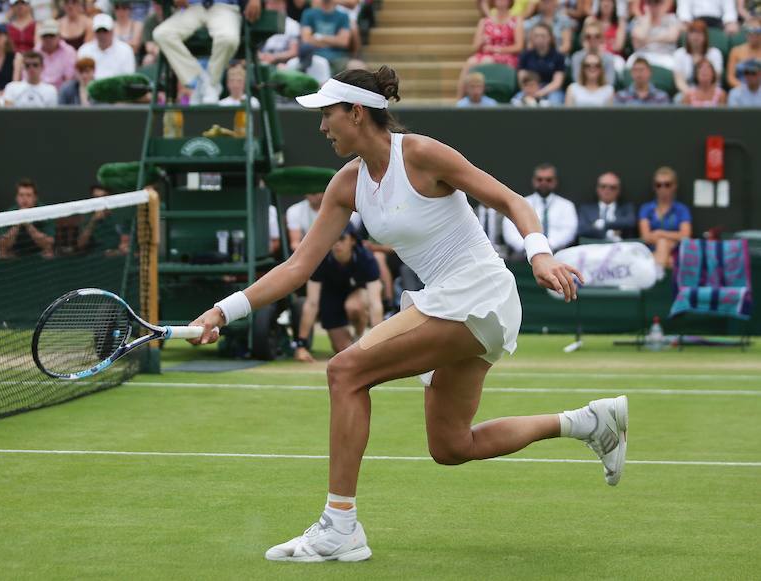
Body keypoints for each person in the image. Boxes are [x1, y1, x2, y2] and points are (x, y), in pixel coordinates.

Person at [186, 66, 626, 563]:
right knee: (452, 446)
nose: (322, 125)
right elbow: (297, 266)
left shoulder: (419, 153)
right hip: (454, 305)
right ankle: (588, 423)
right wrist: (223, 311)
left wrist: (540, 254)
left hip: (477, 293)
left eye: (328, 113)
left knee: (345, 370)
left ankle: (340, 526)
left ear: (356, 112)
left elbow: (511, 200)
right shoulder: (346, 183)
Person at [292, 222, 382, 363]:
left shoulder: (367, 259)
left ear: (352, 240)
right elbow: (312, 303)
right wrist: (301, 345)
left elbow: (375, 303)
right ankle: (354, 345)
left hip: (357, 294)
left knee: (354, 306)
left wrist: (379, 343)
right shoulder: (320, 259)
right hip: (330, 297)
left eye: (342, 239)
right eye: (334, 239)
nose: (337, 244)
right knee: (344, 352)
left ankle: (359, 336)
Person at [152, 0, 261, 105]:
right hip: (192, 7)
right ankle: (200, 79)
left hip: (225, 7)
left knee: (229, 39)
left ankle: (210, 82)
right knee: (162, 34)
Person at [502, 163, 578, 255]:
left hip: (558, 254)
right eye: (539, 179)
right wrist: (529, 248)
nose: (543, 183)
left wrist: (546, 247)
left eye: (548, 180)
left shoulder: (566, 206)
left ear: (555, 182)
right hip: (524, 255)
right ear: (533, 181)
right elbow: (510, 231)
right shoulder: (520, 203)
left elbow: (569, 232)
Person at [638, 166, 692, 273]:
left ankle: (656, 277)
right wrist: (670, 238)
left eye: (667, 185)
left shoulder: (681, 209)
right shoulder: (646, 208)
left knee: (667, 253)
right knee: (669, 260)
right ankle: (659, 274)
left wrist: (660, 233)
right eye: (658, 185)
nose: (663, 188)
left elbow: (686, 236)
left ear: (674, 186)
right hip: (651, 252)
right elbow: (646, 237)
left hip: (677, 252)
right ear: (654, 187)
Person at [0, 178, 56, 258]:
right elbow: (2, 245)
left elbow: (48, 244)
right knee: (2, 253)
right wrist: (17, 224)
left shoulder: (45, 213)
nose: (24, 199)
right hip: (15, 253)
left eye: (28, 195)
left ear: (35, 198)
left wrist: (28, 225)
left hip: (39, 253)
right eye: (21, 195)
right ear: (16, 198)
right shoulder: (9, 213)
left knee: (49, 253)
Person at [576, 172, 636, 242]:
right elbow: (582, 230)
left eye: (613, 187)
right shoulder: (586, 209)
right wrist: (609, 233)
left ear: (619, 190)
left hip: (621, 247)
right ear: (597, 189)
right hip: (593, 248)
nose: (607, 190)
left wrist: (601, 224)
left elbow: (630, 222)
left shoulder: (626, 208)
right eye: (603, 186)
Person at [466, 0, 524, 70]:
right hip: (485, 54)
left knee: (486, 61)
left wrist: (496, 49)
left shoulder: (516, 20)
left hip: (506, 55)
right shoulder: (484, 21)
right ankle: (463, 81)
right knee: (471, 62)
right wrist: (481, 41)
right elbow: (474, 47)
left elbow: (519, 47)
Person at [516, 23, 565, 105]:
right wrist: (530, 91)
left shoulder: (558, 56)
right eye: (536, 36)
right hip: (529, 89)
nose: (539, 38)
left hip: (551, 90)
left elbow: (557, 82)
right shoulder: (525, 55)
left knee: (555, 102)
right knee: (516, 102)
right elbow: (522, 78)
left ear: (550, 37)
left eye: (543, 36)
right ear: (532, 38)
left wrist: (540, 93)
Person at [76, 184, 131, 255]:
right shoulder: (88, 216)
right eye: (97, 197)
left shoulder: (120, 213)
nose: (100, 201)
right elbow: (81, 244)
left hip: (119, 254)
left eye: (104, 197)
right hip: (97, 254)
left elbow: (125, 241)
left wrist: (117, 252)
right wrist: (94, 220)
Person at [77, 13, 135, 79]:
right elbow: (81, 77)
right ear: (94, 32)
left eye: (105, 31)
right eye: (98, 31)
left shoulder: (126, 50)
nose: (102, 35)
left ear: (112, 31)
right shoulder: (84, 50)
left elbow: (128, 77)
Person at [673, 20, 724, 95]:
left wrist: (704, 94)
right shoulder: (679, 54)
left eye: (699, 33)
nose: (695, 37)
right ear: (687, 36)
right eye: (692, 33)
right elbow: (679, 81)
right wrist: (692, 95)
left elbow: (716, 79)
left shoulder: (715, 53)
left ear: (705, 36)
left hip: (711, 92)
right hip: (688, 93)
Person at [299, 0, 350, 73]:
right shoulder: (308, 13)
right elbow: (306, 39)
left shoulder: (343, 16)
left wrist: (318, 37)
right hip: (314, 56)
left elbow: (343, 42)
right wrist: (334, 41)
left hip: (337, 58)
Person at [628, 0, 680, 70]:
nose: (653, 6)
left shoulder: (671, 18)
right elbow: (638, 39)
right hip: (642, 55)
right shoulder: (639, 20)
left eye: (657, 3)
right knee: (630, 63)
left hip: (665, 55)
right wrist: (647, 18)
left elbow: (672, 37)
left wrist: (648, 40)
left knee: (674, 65)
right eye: (650, 3)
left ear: (662, 4)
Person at [570, 21, 619, 87]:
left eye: (597, 36)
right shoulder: (577, 57)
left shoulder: (609, 58)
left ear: (601, 38)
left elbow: (610, 83)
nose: (592, 39)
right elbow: (576, 81)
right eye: (588, 36)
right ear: (583, 38)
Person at [36, 18, 76, 89]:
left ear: (59, 36)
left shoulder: (69, 52)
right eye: (45, 36)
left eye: (51, 35)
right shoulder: (35, 52)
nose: (48, 39)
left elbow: (69, 78)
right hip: (39, 92)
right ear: (40, 37)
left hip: (62, 92)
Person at [726, 18, 761, 89]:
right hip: (741, 90)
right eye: (749, 31)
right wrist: (745, 89)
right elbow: (730, 78)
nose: (753, 35)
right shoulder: (736, 51)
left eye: (757, 31)